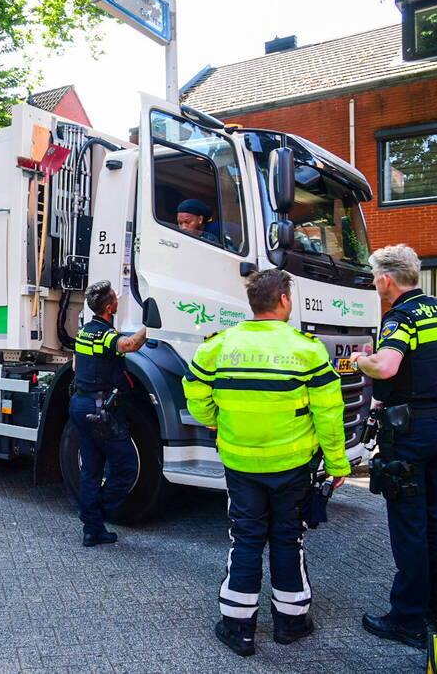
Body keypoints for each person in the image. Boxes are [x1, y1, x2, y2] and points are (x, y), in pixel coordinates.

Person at [183, 269, 350, 657]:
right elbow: (330, 413)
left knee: (245, 538)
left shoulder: (219, 346)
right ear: (284, 300)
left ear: (254, 302)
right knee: (288, 538)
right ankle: (291, 623)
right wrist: (339, 464)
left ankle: (238, 628)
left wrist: (213, 415)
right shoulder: (307, 349)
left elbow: (193, 388)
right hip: (292, 465)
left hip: (241, 463)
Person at [349, 244, 437, 650]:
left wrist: (362, 358)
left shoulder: (401, 317)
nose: (374, 283)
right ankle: (436, 605)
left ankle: (407, 619)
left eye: (373, 276)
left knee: (409, 525)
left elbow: (386, 367)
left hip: (410, 430)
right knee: (433, 518)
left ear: (385, 279)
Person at [69, 280, 147, 547]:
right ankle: (97, 513)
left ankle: (92, 529)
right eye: (115, 298)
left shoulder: (84, 333)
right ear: (110, 306)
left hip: (81, 405)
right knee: (126, 466)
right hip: (100, 409)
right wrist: (153, 325)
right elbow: (129, 345)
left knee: (91, 469)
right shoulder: (105, 335)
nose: (117, 301)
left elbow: (75, 366)